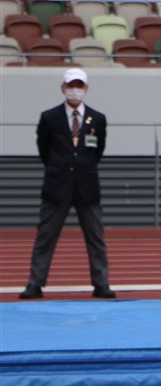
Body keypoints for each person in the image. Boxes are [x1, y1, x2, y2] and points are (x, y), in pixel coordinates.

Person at [20, 68, 116, 299]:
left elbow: (97, 150)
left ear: (86, 89)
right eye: (71, 85)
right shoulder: (49, 117)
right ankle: (35, 283)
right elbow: (44, 149)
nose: (75, 90)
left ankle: (101, 283)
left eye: (79, 86)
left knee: (95, 237)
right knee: (46, 236)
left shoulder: (98, 118)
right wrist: (58, 168)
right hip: (57, 184)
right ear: (63, 88)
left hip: (86, 184)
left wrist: (82, 167)